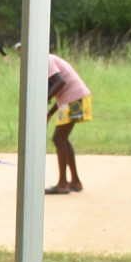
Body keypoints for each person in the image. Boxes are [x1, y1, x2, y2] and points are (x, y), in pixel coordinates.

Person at [45, 54, 92, 195]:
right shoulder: (47, 59)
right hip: (72, 99)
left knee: (59, 138)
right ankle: (75, 181)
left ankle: (63, 184)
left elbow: (60, 81)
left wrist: (45, 98)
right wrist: (51, 112)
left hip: (74, 99)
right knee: (62, 139)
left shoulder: (45, 59)